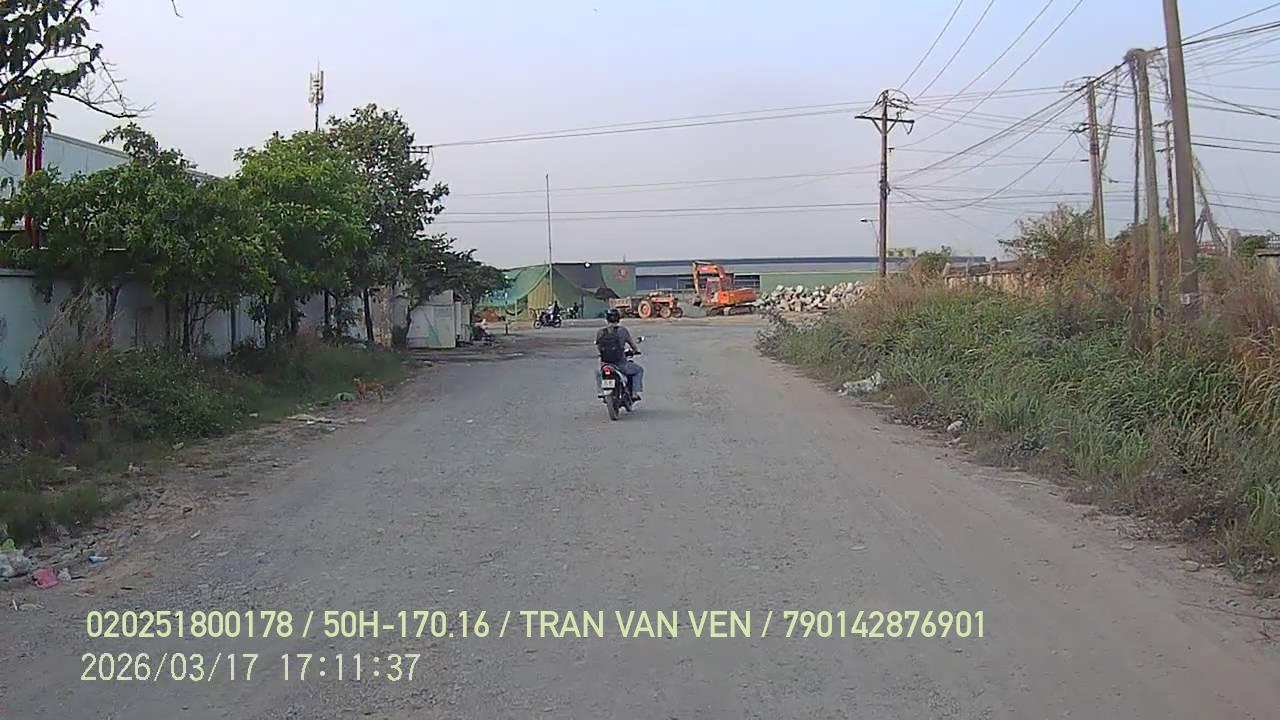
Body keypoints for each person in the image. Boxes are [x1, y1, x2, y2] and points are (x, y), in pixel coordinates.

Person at [596, 309, 644, 400]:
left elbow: (598, 347)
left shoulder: (601, 332)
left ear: (607, 319)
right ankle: (634, 393)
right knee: (638, 370)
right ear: (618, 319)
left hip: (605, 364)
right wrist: (636, 351)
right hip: (620, 363)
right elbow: (632, 345)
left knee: (599, 373)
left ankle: (600, 391)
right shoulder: (623, 331)